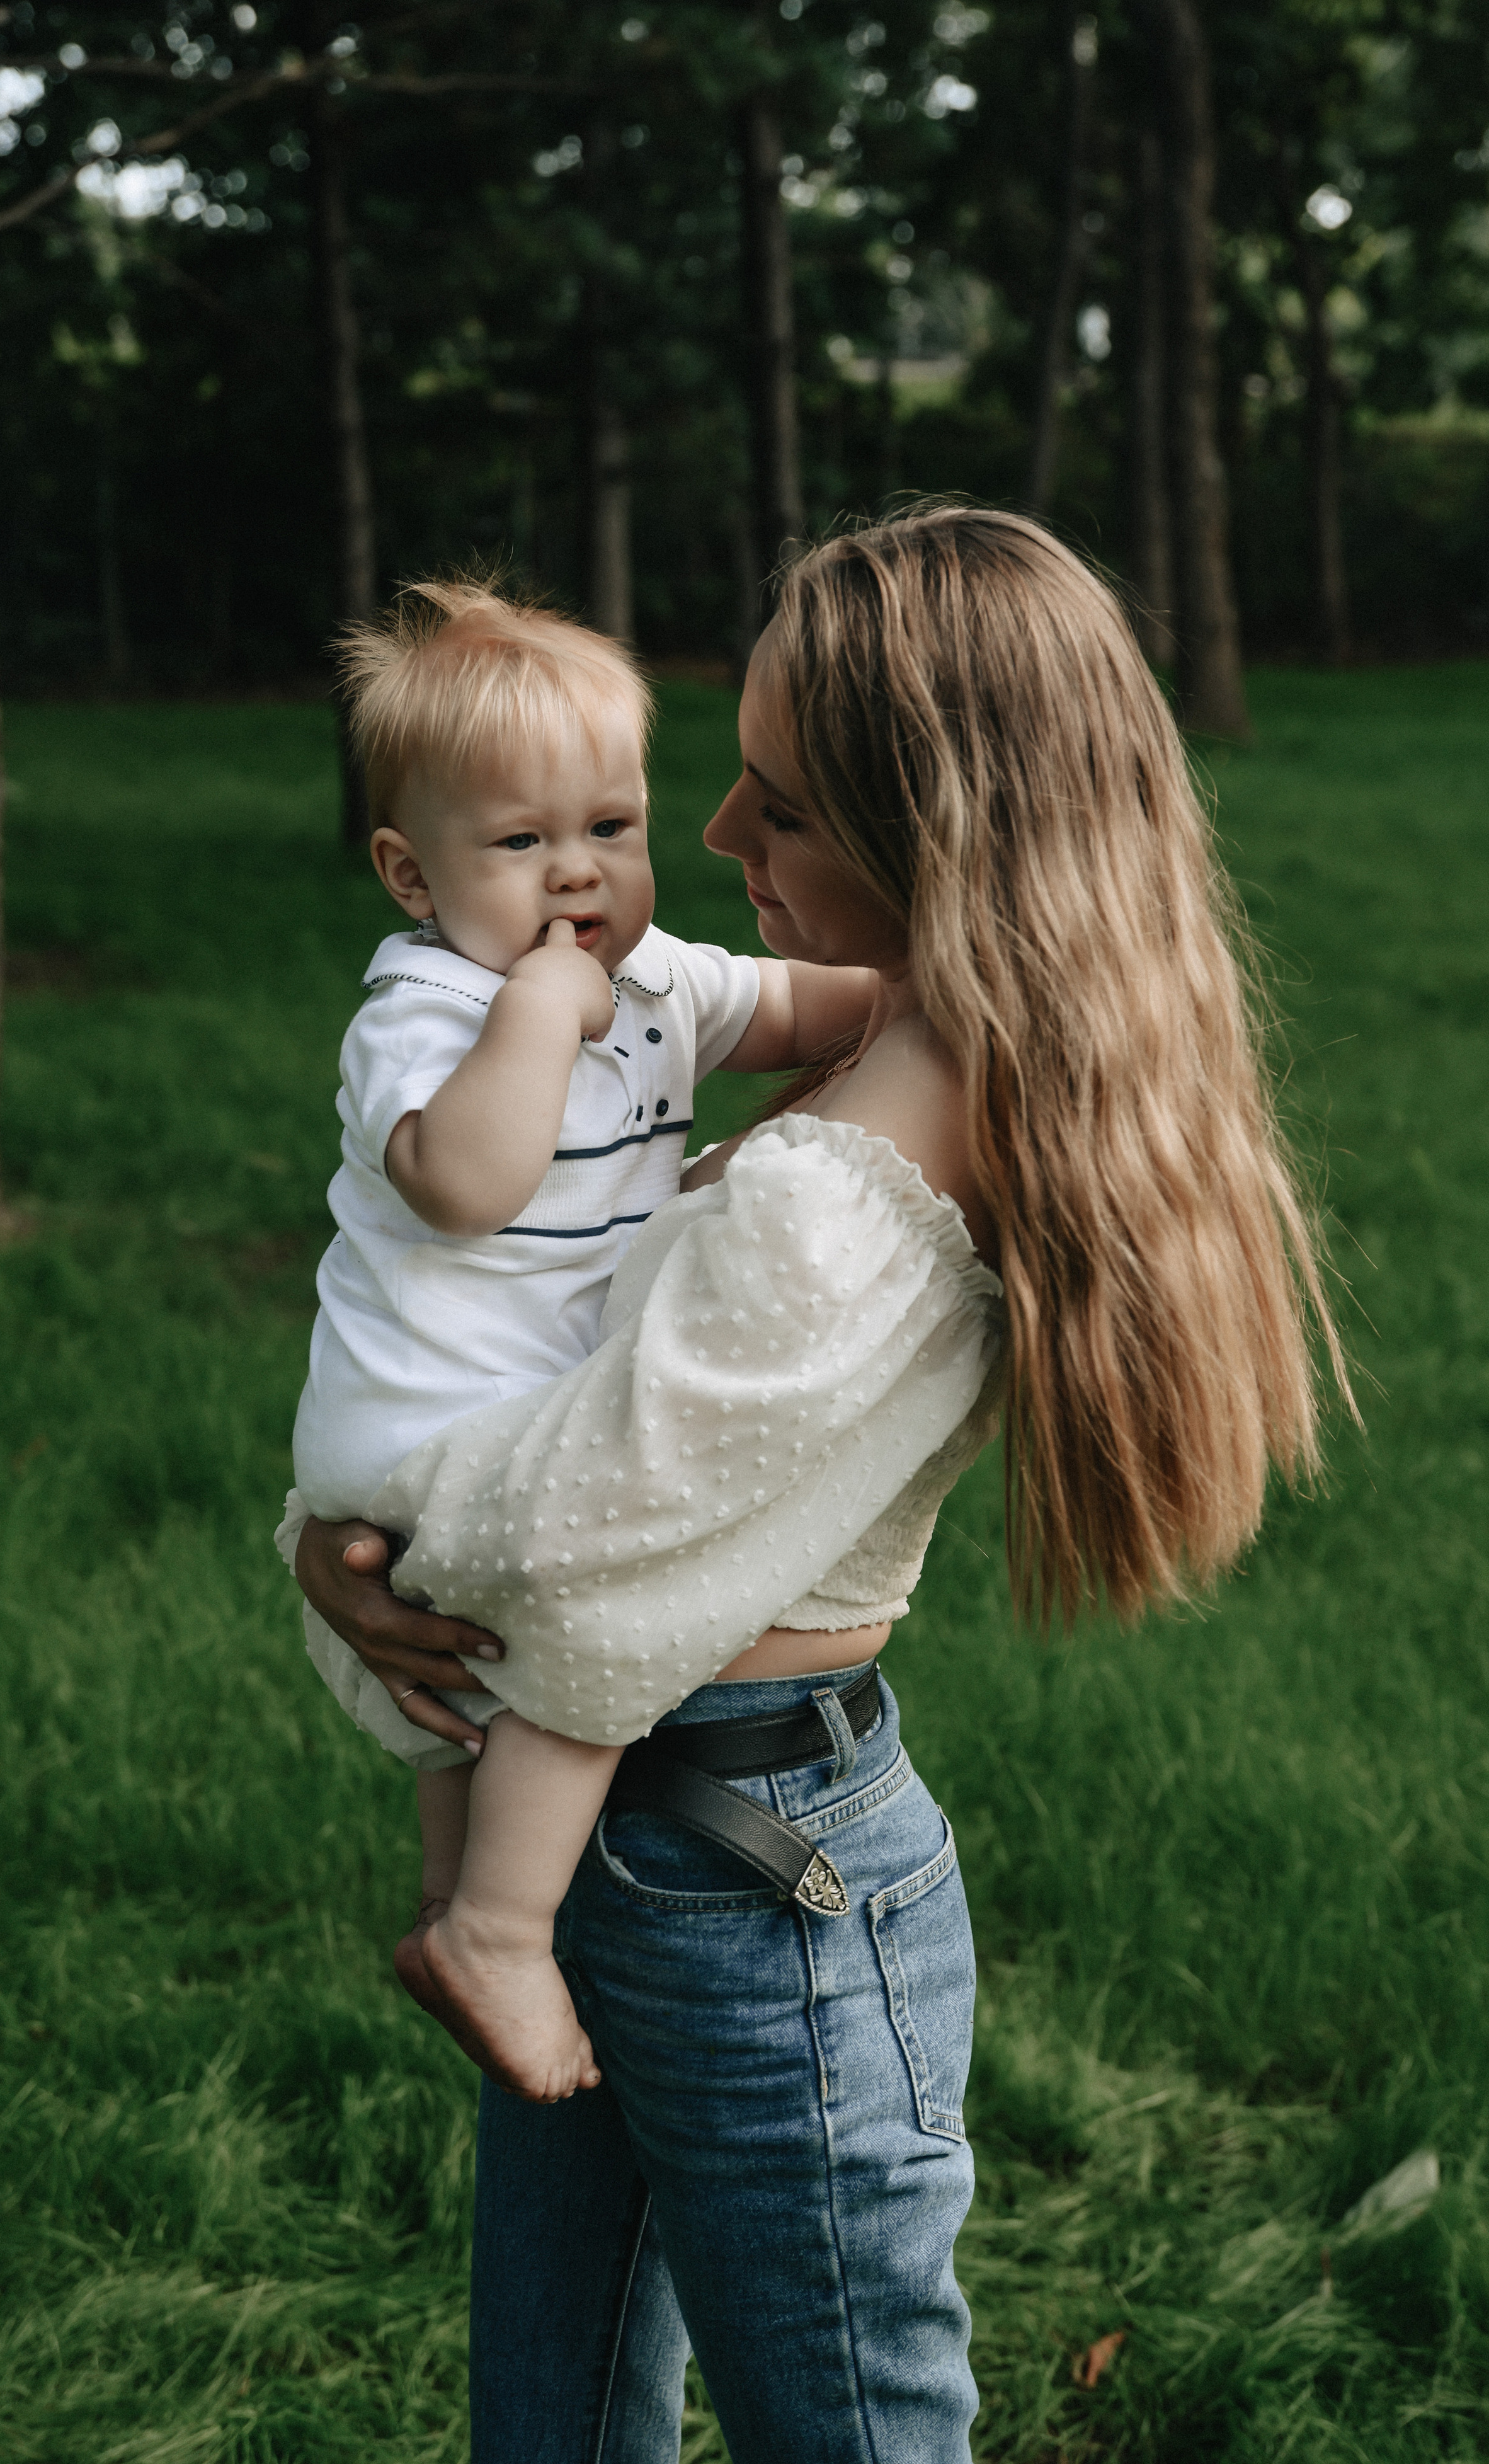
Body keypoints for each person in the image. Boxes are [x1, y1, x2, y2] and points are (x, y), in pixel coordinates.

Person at [287, 507, 1347, 2463]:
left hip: (742, 1878)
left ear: (926, 825)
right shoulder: (956, 1063)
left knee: (838, 2429)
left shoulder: (838, 1198)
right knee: (562, 2403)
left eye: (772, 800)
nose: (705, 841)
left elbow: (575, 1546)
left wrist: (343, 1540)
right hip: (667, 1831)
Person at [287, 580, 878, 2104]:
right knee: (571, 1637)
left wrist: (937, 990)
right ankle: (497, 1925)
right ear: (409, 874)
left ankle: (445, 1915)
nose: (577, 879)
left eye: (609, 829)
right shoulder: (425, 1009)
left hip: (482, 1420)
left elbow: (806, 1006)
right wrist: (540, 1017)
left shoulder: (659, 973)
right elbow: (467, 1188)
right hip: (431, 1429)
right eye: (517, 844)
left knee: (463, 1722)